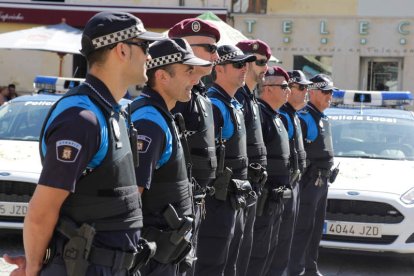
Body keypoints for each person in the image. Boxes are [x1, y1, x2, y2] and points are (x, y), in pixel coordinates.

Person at [3, 11, 164, 276]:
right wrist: (33, 267)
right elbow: (42, 208)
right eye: (144, 46)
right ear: (121, 50)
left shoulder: (112, 111)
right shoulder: (82, 118)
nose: (149, 56)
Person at [129, 38, 211, 276]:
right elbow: (132, 195)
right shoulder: (148, 122)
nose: (196, 80)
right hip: (152, 258)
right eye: (188, 72)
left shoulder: (162, 115)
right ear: (163, 76)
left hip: (165, 253)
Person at [195, 45, 256, 276]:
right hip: (217, 202)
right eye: (238, 64)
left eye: (246, 64)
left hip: (235, 199)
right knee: (212, 265)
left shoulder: (233, 104)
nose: (245, 69)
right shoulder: (214, 105)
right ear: (219, 69)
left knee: (230, 264)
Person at [167, 18, 220, 275]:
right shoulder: (173, 95)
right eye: (209, 48)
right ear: (184, 48)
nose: (216, 54)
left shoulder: (199, 94)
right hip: (172, 209)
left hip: (196, 202)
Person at [227, 39, 270, 276]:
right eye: (261, 62)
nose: (265, 68)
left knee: (245, 247)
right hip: (238, 185)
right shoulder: (238, 97)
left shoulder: (251, 97)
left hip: (251, 184)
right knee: (234, 251)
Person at [289, 74, 336, 276]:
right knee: (303, 229)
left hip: (322, 181)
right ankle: (296, 269)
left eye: (331, 92)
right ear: (313, 92)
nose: (330, 96)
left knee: (316, 229)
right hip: (308, 181)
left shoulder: (322, 118)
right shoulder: (304, 118)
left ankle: (310, 268)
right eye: (326, 92)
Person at [245, 66, 291, 276]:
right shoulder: (261, 116)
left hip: (276, 200)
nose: (288, 90)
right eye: (284, 86)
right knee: (257, 255)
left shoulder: (276, 116)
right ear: (268, 89)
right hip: (264, 200)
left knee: (270, 253)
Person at [268, 70, 312, 275]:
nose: (306, 92)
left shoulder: (293, 115)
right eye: (301, 87)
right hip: (282, 186)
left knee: (287, 240)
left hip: (294, 184)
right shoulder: (283, 116)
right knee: (278, 243)